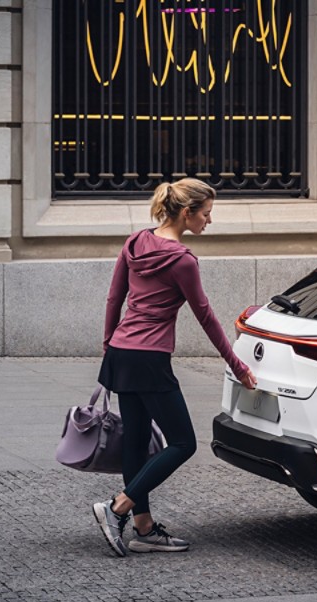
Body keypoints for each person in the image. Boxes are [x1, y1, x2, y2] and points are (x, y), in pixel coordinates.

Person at [92, 178, 256, 557]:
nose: (209, 222)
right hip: (149, 359)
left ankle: (144, 529)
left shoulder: (135, 242)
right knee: (183, 442)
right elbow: (207, 317)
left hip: (121, 352)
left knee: (135, 439)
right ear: (187, 213)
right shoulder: (182, 260)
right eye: (206, 214)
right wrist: (238, 364)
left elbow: (114, 298)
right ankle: (117, 507)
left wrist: (109, 348)